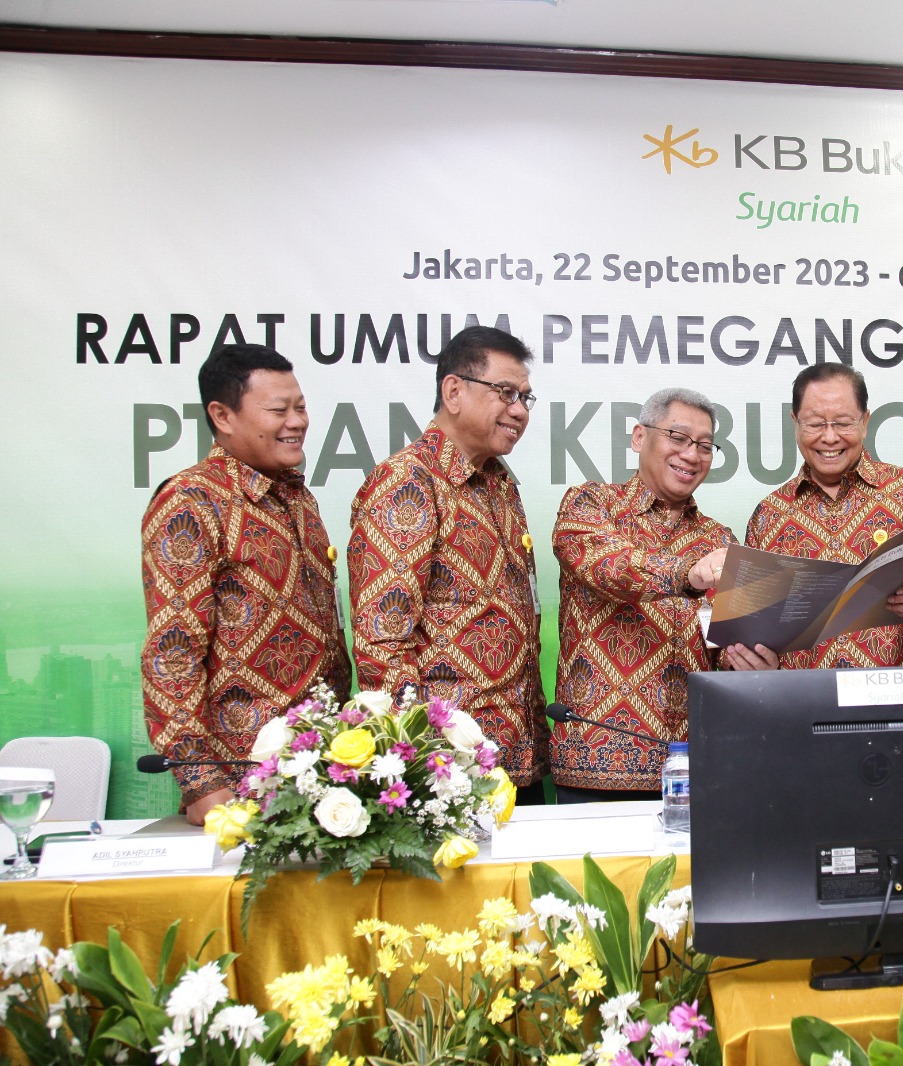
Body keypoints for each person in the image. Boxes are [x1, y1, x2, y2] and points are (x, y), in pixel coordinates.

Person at [140, 344, 351, 824]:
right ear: (222, 415)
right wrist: (202, 785)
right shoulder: (190, 501)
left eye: (300, 407)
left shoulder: (297, 498)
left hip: (325, 775)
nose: (297, 422)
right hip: (242, 787)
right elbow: (173, 654)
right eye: (279, 410)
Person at [347, 326, 549, 801]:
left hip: (517, 757)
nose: (519, 410)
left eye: (524, 397)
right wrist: (420, 759)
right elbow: (383, 643)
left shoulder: (499, 484)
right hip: (447, 769)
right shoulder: (407, 482)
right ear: (454, 391)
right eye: (505, 392)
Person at [726, 364, 903, 670]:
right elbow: (748, 629)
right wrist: (758, 664)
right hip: (804, 697)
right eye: (815, 423)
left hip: (902, 694)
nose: (829, 437)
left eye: (843, 423)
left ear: (865, 421)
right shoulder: (768, 515)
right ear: (795, 422)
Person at [550, 387, 735, 801]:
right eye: (678, 437)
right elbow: (607, 566)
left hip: (695, 767)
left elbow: (723, 647)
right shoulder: (590, 504)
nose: (691, 455)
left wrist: (746, 654)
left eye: (705, 446)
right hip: (595, 764)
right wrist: (687, 573)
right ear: (639, 437)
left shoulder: (719, 540)